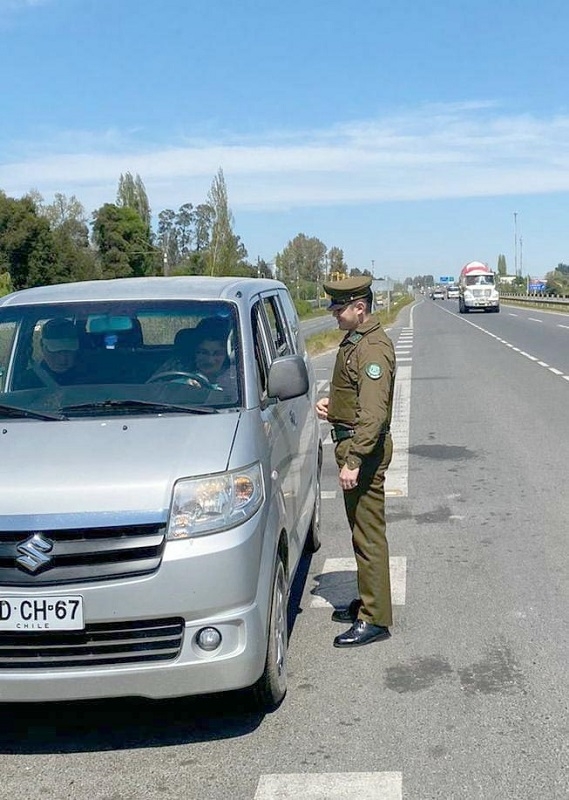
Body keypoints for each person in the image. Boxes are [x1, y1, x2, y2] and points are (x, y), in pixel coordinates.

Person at [315, 276, 396, 648]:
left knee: (368, 536)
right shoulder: (357, 342)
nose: (333, 312)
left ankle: (375, 617)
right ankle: (368, 600)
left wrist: (355, 460)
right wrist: (335, 409)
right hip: (351, 443)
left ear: (359, 308)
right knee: (360, 532)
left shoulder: (372, 348)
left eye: (339, 307)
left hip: (362, 451)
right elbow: (358, 398)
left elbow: (375, 415)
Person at [17, 318, 82, 389]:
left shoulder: (91, 377)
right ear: (42, 344)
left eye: (68, 351)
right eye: (55, 351)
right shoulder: (26, 382)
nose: (63, 359)